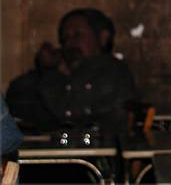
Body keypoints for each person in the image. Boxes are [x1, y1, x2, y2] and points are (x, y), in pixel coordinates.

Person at [6, 8, 137, 134]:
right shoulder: (64, 72)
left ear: (103, 38)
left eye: (77, 35)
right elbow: (17, 99)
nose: (69, 44)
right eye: (65, 38)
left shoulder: (112, 71)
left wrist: (51, 73)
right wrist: (47, 69)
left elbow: (70, 114)